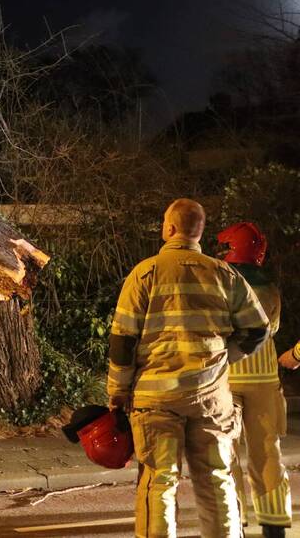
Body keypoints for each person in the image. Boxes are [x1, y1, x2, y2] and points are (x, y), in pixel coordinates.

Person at [107, 198, 269, 538]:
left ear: (169, 228)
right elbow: (258, 329)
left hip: (156, 400)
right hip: (211, 398)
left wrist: (118, 392)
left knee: (159, 483)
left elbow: (123, 340)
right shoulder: (225, 274)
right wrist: (224, 357)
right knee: (216, 480)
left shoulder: (145, 273)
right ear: (200, 231)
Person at [220, 222, 290, 537]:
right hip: (264, 377)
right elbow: (271, 329)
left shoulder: (219, 283)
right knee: (267, 450)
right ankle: (274, 522)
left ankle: (233, 520)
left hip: (226, 375)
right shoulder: (270, 288)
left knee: (226, 452)